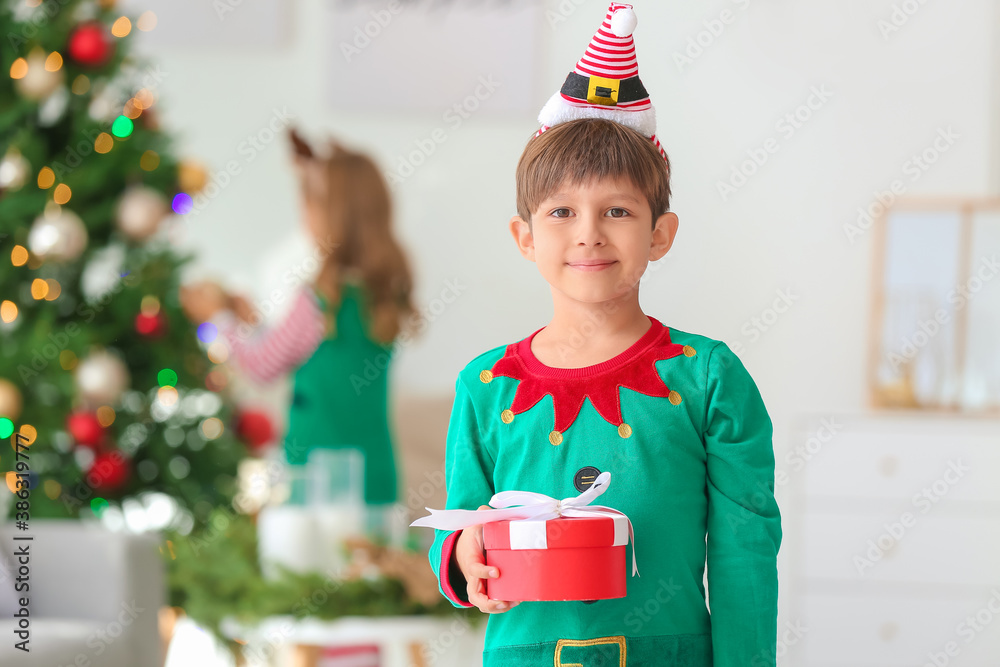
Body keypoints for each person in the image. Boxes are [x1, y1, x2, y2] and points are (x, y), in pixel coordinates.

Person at [425, 4, 781, 666]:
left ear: (660, 234)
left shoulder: (707, 377)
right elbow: (460, 519)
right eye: (561, 211)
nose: (588, 231)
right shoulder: (483, 385)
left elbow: (744, 549)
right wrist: (461, 552)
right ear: (525, 238)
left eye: (617, 210)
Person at [179, 127, 418, 508]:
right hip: (376, 476)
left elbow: (262, 365)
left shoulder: (317, 301)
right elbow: (313, 351)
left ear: (326, 216)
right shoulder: (388, 295)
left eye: (308, 204)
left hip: (318, 479)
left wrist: (221, 320)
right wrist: (254, 324)